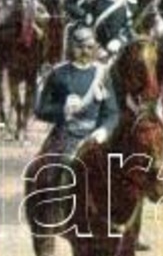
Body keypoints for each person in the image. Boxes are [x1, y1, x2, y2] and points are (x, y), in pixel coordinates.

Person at [33, 26, 118, 159]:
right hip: (65, 136)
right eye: (79, 47)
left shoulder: (103, 75)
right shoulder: (58, 73)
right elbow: (41, 110)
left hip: (94, 137)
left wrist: (104, 130)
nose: (84, 52)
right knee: (46, 172)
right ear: (71, 48)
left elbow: (112, 112)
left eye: (89, 47)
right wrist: (63, 110)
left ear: (95, 48)